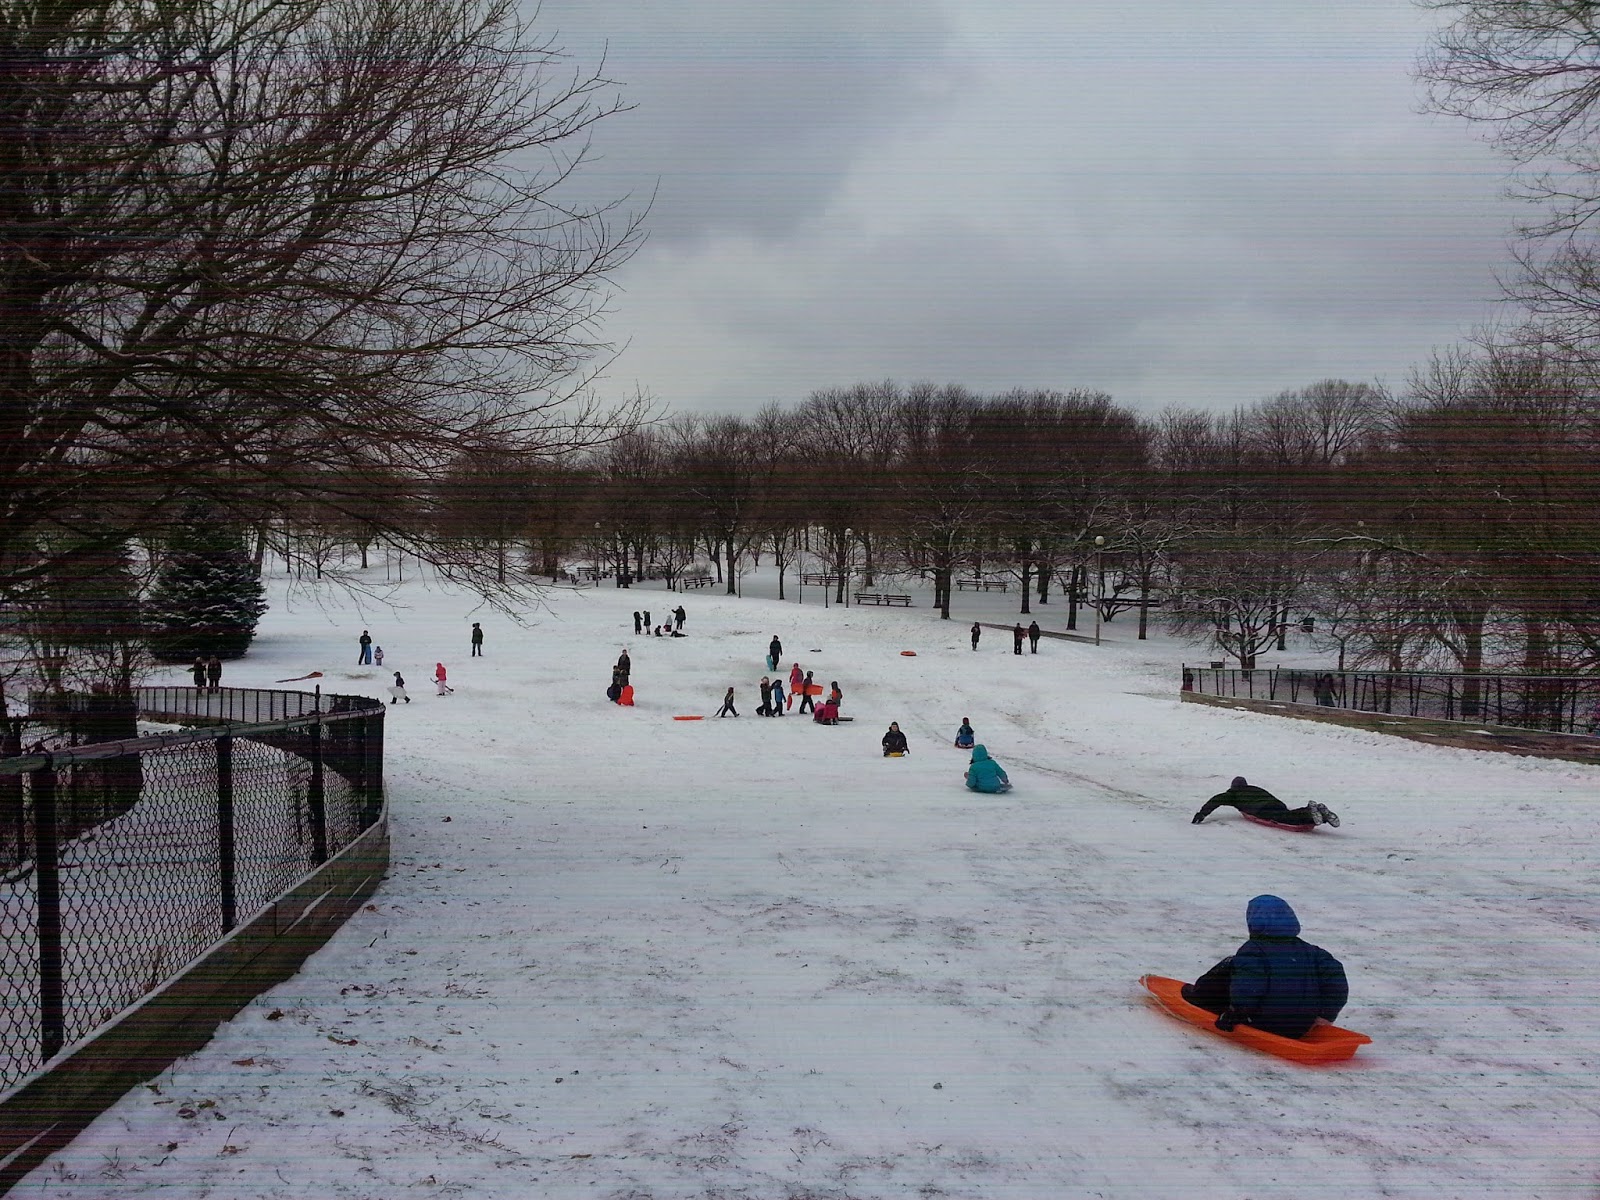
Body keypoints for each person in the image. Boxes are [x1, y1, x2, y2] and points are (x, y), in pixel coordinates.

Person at [1181, 895, 1348, 1041]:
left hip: (1261, 1023)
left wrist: (1235, 1014)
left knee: (1230, 965)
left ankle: (1198, 996)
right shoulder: (1312, 952)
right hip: (1300, 1027)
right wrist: (1326, 1014)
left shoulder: (1253, 951)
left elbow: (1248, 987)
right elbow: (1336, 980)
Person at [1192, 777, 1338, 828]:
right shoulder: (1255, 788)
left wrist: (1202, 814)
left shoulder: (1232, 794)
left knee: (1286, 819)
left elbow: (1214, 801)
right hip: (1276, 803)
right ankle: (1317, 813)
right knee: (1286, 813)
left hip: (1261, 810)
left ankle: (1311, 815)